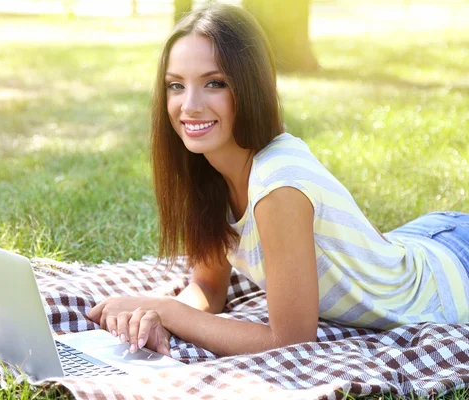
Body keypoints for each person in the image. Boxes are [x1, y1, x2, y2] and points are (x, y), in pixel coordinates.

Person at [88, 3, 469, 357]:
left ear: (249, 86)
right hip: (422, 238)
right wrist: (155, 317)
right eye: (176, 85)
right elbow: (207, 288)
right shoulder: (207, 168)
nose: (189, 105)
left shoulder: (277, 184)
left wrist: (165, 309)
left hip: (454, 267)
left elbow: (289, 341)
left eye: (214, 83)